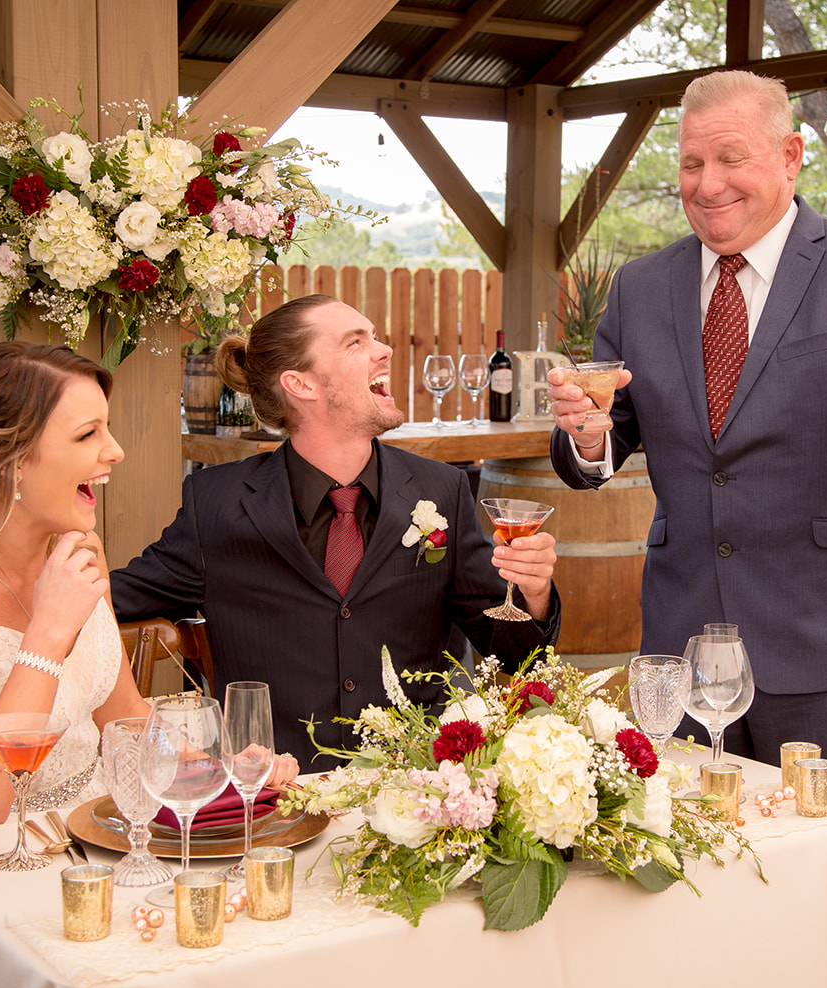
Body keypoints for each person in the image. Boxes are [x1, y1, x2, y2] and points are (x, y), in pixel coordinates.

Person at [548, 70, 827, 788]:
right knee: (681, 876)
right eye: (690, 163)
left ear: (790, 155)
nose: (707, 183)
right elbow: (607, 426)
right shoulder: (640, 288)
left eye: (730, 158)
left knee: (824, 876)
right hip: (680, 649)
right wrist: (587, 438)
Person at [0, 341, 297, 829]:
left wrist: (223, 770)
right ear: (7, 459)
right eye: (87, 435)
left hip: (104, 826)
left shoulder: (76, 554)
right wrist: (49, 632)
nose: (115, 450)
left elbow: (124, 716)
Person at [110, 294, 561, 765]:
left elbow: (514, 655)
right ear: (300, 384)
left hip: (415, 795)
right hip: (275, 801)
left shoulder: (442, 489)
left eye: (374, 336)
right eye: (355, 342)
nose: (384, 349)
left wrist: (535, 593)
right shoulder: (216, 504)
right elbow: (106, 603)